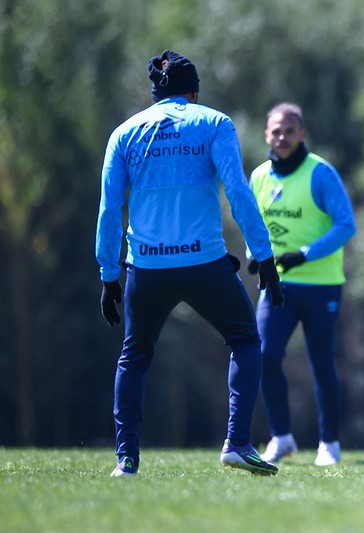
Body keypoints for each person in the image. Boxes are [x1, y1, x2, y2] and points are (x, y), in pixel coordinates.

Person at [95, 50, 285, 477]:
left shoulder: (123, 133)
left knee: (134, 356)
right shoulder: (214, 123)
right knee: (245, 340)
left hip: (145, 267)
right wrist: (265, 255)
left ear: (154, 93)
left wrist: (109, 275)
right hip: (204, 263)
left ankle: (126, 460)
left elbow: (110, 209)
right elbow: (238, 192)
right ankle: (237, 442)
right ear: (193, 91)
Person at [246, 102, 356, 467]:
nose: (282, 137)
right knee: (264, 356)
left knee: (322, 363)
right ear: (266, 135)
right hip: (277, 285)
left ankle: (329, 444)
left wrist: (305, 254)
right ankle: (281, 438)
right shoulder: (260, 176)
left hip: (322, 284)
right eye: (276, 131)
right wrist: (253, 252)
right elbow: (254, 223)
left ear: (302, 134)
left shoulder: (320, 174)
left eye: (289, 131)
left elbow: (345, 225)